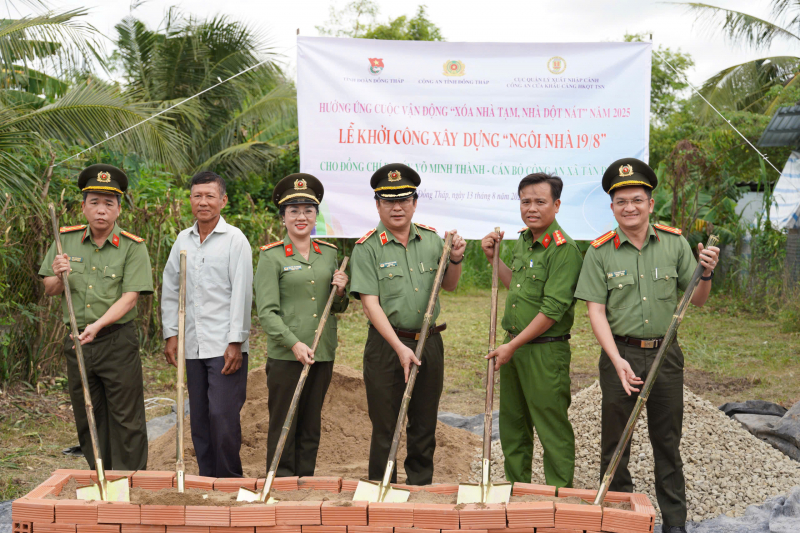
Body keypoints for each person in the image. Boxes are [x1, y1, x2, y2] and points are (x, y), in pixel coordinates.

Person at [574, 158, 720, 533]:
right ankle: (621, 522)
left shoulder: (674, 243)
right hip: (619, 355)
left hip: (665, 354)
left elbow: (697, 300)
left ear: (651, 204)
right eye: (621, 202)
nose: (630, 208)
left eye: (637, 200)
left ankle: (675, 523)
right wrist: (616, 360)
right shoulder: (600, 252)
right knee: (615, 444)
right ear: (612, 207)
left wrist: (705, 272)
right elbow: (595, 312)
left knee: (667, 442)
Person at [349, 163, 466, 486]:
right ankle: (382, 485)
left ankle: (420, 485)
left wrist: (455, 258)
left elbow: (450, 285)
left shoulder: (432, 241)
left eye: (403, 200)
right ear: (377, 205)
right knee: (386, 423)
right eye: (388, 201)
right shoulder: (367, 247)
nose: (397, 207)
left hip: (429, 342)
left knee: (424, 421)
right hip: (387, 346)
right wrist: (399, 348)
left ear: (414, 202)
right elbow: (370, 305)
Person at [39, 164, 153, 470]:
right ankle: (101, 476)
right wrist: (59, 274)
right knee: (88, 412)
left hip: (116, 341)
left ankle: (130, 480)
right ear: (83, 207)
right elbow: (49, 288)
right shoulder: (65, 241)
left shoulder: (132, 247)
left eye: (108, 203)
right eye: (94, 202)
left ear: (119, 209)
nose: (101, 210)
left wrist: (98, 325)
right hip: (77, 342)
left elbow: (130, 298)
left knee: (126, 416)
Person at [480, 173, 583, 489]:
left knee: (551, 428)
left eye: (540, 201)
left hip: (544, 351)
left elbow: (552, 310)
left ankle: (558, 497)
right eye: (526, 201)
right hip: (513, 348)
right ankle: (516, 491)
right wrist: (494, 259)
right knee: (513, 426)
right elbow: (517, 287)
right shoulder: (524, 241)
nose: (532, 208)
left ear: (557, 204)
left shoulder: (564, 250)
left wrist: (512, 346)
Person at [254, 173, 349, 477]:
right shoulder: (271, 257)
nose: (301, 217)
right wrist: (294, 343)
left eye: (308, 210)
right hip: (287, 355)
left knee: (311, 422)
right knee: (284, 421)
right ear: (283, 217)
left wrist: (341, 291)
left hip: (321, 351)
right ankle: (281, 480)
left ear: (316, 215)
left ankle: (305, 481)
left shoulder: (329, 254)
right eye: (293, 210)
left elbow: (337, 307)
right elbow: (267, 313)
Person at [161, 171, 253, 478]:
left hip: (224, 345)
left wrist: (236, 341)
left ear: (223, 201)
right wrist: (171, 334)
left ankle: (229, 481)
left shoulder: (235, 240)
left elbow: (241, 293)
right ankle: (207, 480)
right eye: (197, 196)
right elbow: (171, 288)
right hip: (192, 344)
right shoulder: (182, 240)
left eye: (210, 196)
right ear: (190, 200)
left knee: (222, 416)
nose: (203, 202)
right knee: (199, 418)